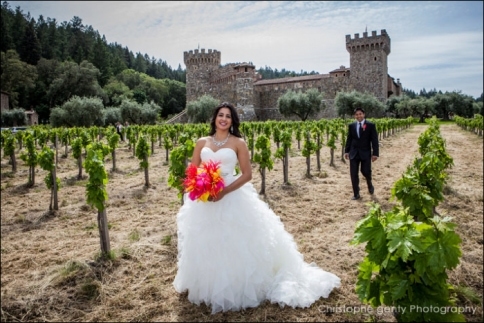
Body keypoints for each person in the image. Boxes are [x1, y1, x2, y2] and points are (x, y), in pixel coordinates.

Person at [173, 102, 340, 314]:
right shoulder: (202, 142)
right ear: (214, 118)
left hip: (231, 197)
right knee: (206, 242)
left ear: (232, 121)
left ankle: (234, 286)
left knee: (234, 242)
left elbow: (246, 174)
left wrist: (224, 191)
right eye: (220, 115)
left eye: (228, 116)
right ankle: (207, 283)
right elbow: (193, 169)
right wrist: (201, 186)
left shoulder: (238, 143)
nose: (223, 119)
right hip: (205, 199)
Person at [344, 107, 379, 200]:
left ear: (364, 114)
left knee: (366, 171)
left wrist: (375, 153)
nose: (358, 116)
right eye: (356, 114)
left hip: (365, 153)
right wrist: (346, 151)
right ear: (354, 116)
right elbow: (349, 139)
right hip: (354, 153)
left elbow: (374, 140)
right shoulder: (351, 126)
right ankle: (356, 193)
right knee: (353, 173)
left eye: (360, 114)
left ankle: (369, 183)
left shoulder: (370, 125)